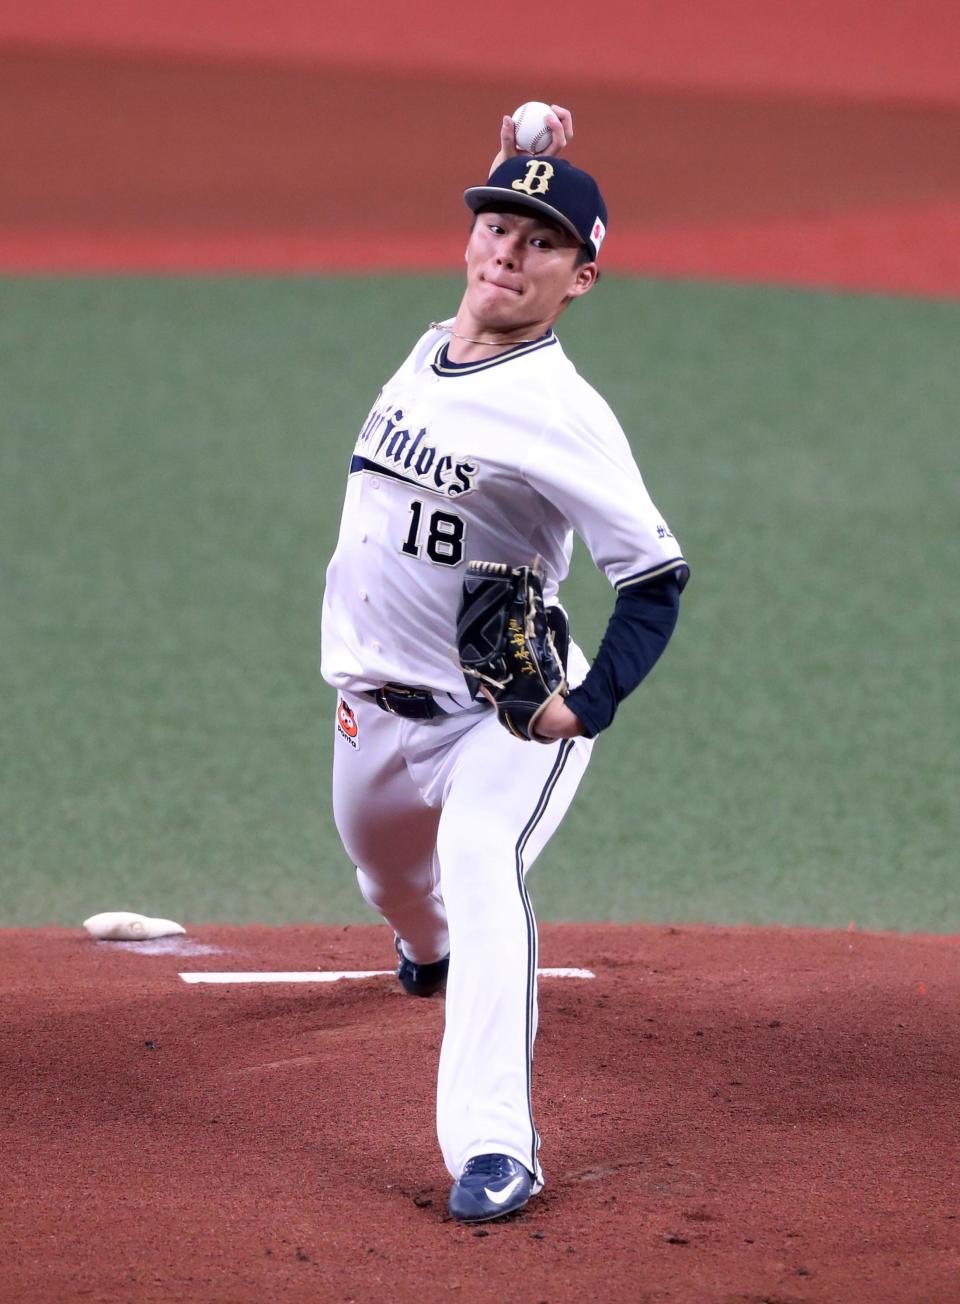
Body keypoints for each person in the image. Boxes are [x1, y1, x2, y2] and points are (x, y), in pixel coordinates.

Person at [320, 106, 689, 1222]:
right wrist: (525, 139)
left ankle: (496, 1144)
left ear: (581, 277)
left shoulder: (561, 412)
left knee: (481, 859)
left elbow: (656, 572)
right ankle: (421, 948)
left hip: (499, 715)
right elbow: (513, 200)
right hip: (371, 709)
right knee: (389, 876)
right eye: (497, 225)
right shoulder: (438, 340)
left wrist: (590, 701)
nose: (508, 252)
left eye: (541, 242)